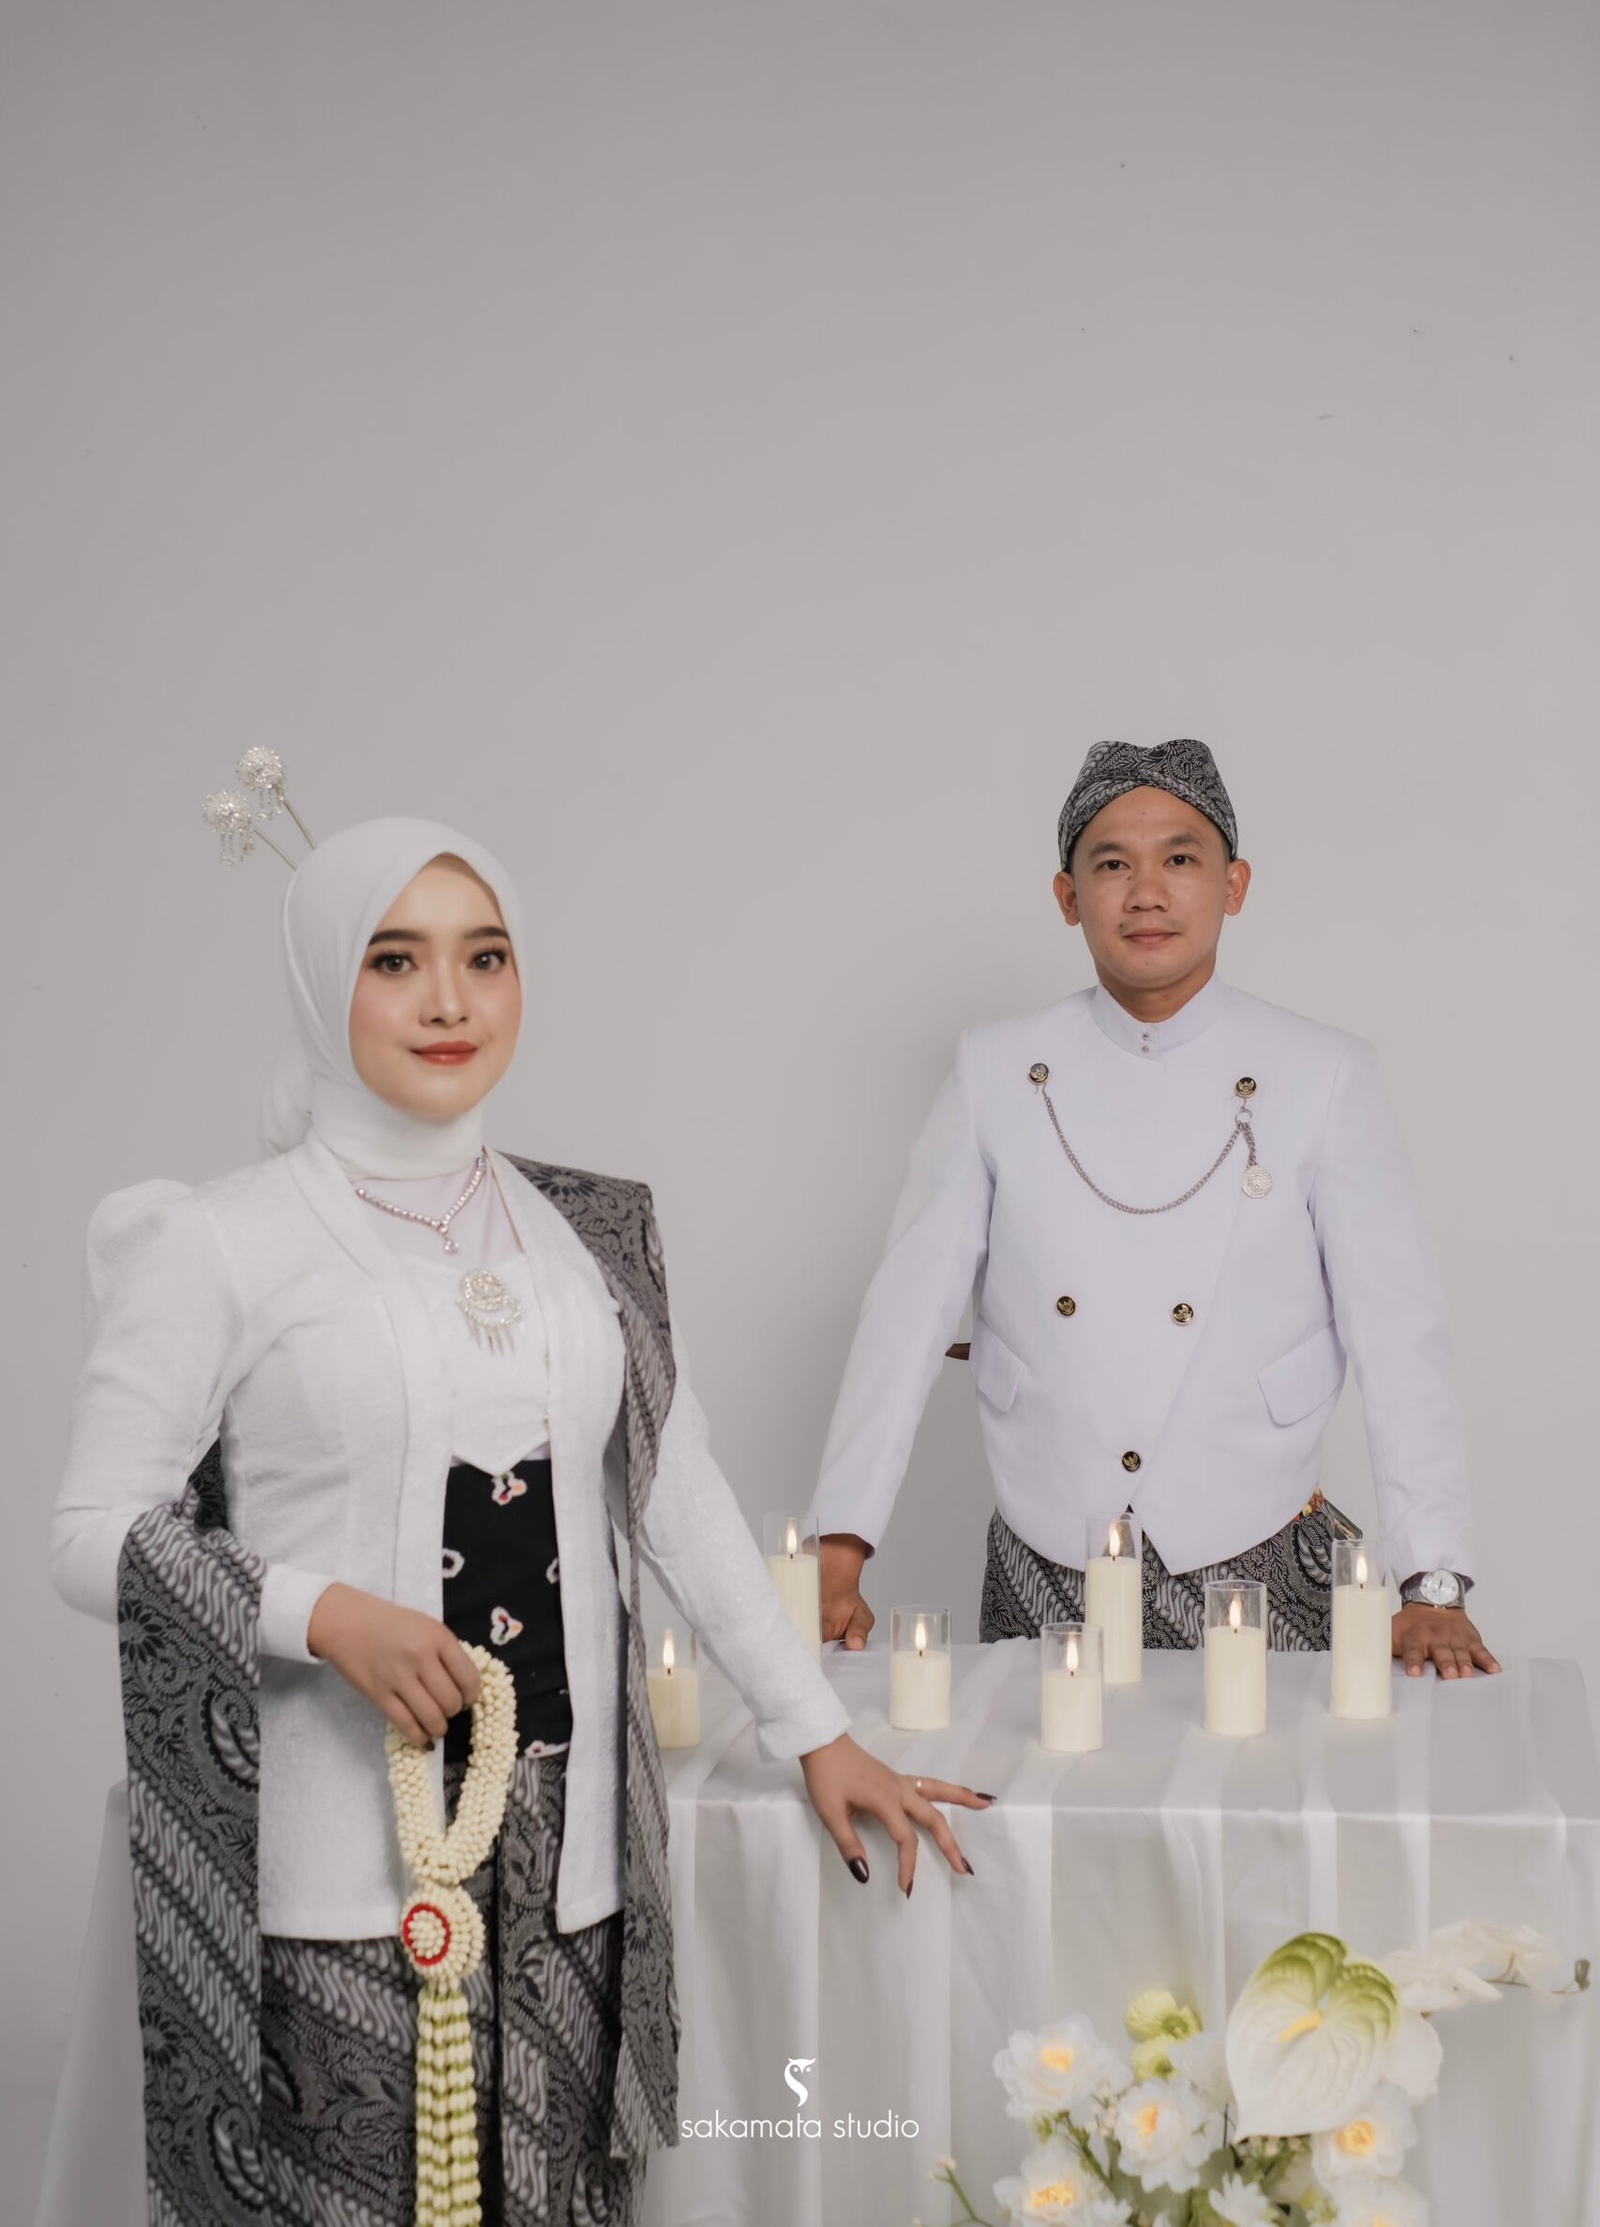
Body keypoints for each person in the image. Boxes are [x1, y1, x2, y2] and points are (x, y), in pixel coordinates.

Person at [51, 806, 992, 2227]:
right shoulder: (219, 1240)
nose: (449, 1001)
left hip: (568, 1853)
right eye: (394, 960)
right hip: (343, 1861)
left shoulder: (584, 1230)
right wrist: (327, 1615)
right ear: (321, 982)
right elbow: (91, 1532)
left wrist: (816, 1729)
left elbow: (674, 1491)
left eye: (483, 957)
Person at [810, 737, 1498, 1683]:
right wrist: (838, 1548)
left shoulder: (1324, 1074)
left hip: (1260, 1547)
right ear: (1068, 897)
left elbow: (1399, 1335)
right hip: (1043, 1554)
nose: (1146, 893)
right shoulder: (992, 1070)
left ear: (1233, 885)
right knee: (1035, 1780)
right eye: (1111, 865)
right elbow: (906, 1318)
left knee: (1276, 1783)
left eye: (1179, 858)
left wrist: (1434, 1583)